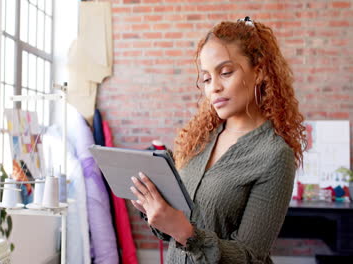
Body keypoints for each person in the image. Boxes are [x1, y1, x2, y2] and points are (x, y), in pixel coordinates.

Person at [130, 17, 307, 264]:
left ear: (259, 73)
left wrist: (185, 232)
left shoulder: (275, 155)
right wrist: (156, 212)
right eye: (206, 78)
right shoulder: (200, 139)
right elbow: (175, 229)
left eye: (225, 72)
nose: (214, 87)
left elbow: (250, 256)